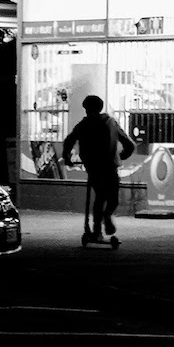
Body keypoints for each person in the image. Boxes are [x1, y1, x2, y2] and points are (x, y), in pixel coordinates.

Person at [62, 95, 135, 242]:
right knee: (113, 198)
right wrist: (122, 156)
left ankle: (97, 231)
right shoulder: (111, 122)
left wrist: (67, 157)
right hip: (110, 165)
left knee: (100, 197)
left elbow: (69, 140)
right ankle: (107, 216)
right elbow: (129, 144)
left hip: (93, 166)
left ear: (87, 109)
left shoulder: (84, 124)